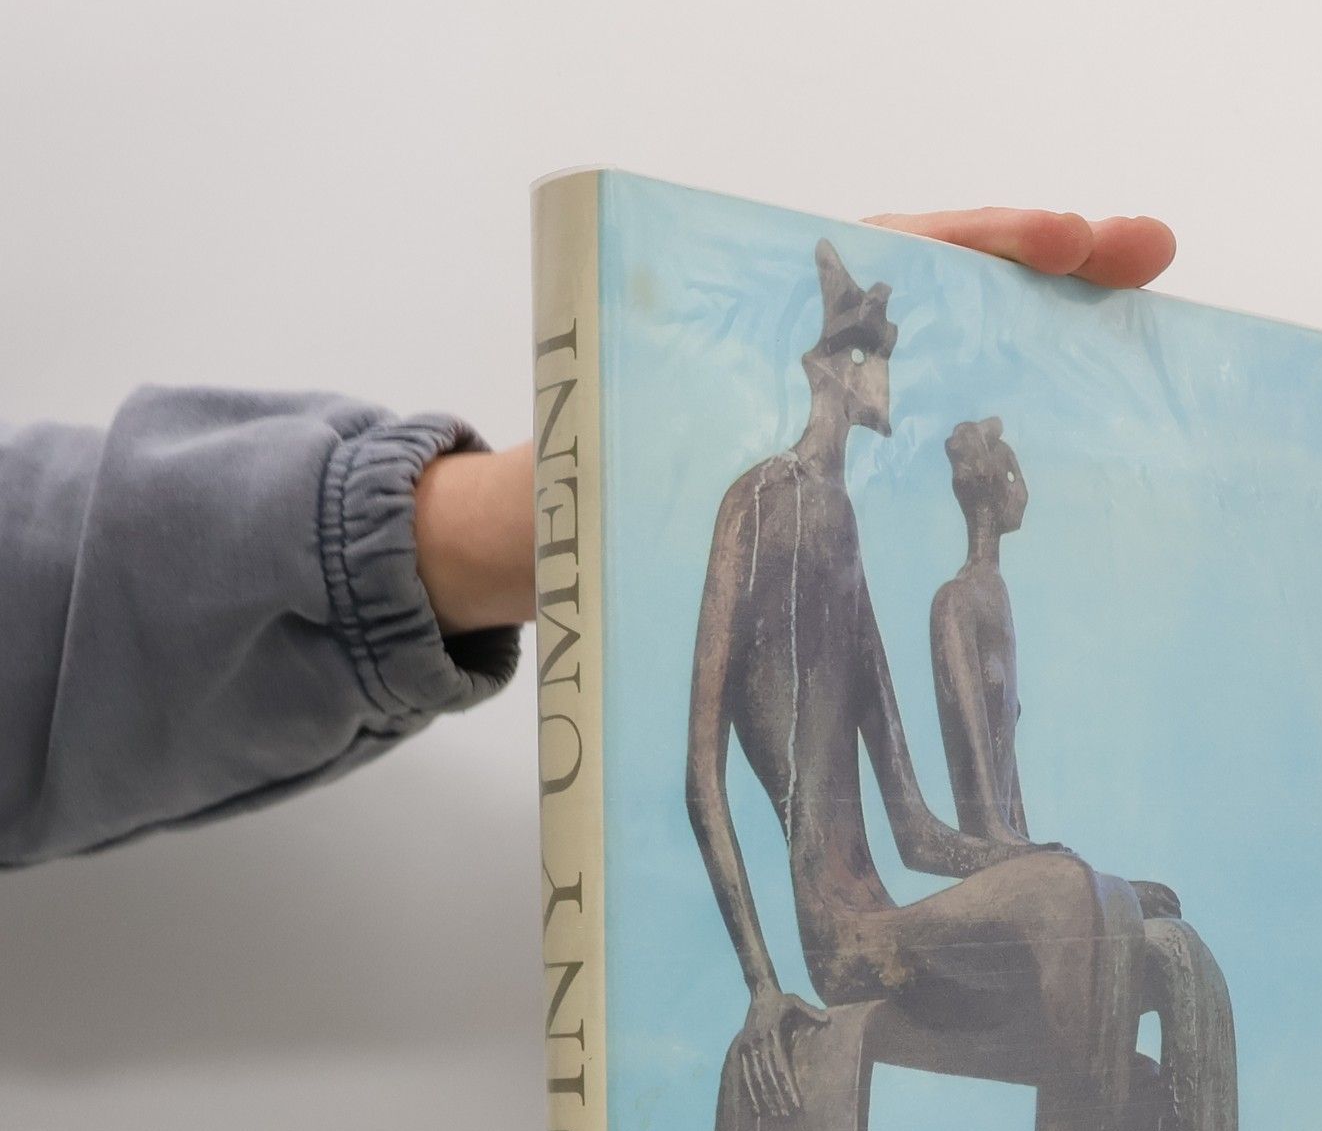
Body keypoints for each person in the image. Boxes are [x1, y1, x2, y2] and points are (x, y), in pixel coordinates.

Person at [0, 208, 1174, 870]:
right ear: (839, 365)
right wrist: (763, 987)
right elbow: (703, 772)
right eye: (876, 356)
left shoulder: (839, 533)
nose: (891, 385)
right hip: (834, 931)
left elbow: (910, 815)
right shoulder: (762, 504)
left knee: (1101, 913)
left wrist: (536, 507)